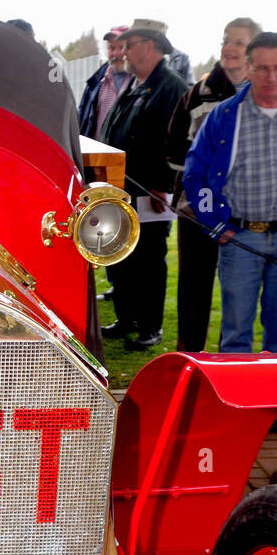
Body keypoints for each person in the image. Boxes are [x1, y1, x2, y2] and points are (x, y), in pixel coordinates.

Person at [183, 33, 277, 382]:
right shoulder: (225, 116)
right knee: (236, 330)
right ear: (249, 68)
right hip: (239, 239)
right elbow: (195, 174)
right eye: (263, 69)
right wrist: (212, 221)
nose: (272, 78)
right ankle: (237, 407)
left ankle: (275, 407)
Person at [166, 17, 260, 351]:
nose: (229, 48)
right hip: (196, 211)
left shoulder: (265, 96)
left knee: (238, 292)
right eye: (225, 40)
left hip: (245, 215)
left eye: (238, 42)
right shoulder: (196, 94)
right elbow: (175, 148)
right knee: (193, 288)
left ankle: (230, 363)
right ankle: (189, 361)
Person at [100, 18, 189, 350]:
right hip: (121, 188)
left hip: (151, 191)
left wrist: (163, 185)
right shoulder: (136, 83)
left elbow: (178, 142)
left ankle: (149, 327)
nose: (124, 50)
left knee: (149, 261)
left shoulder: (172, 86)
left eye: (131, 44)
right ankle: (127, 319)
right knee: (122, 258)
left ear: (151, 46)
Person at [78, 25, 130, 139]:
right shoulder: (96, 83)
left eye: (121, 47)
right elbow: (83, 123)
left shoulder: (141, 83)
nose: (116, 53)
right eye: (111, 48)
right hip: (99, 156)